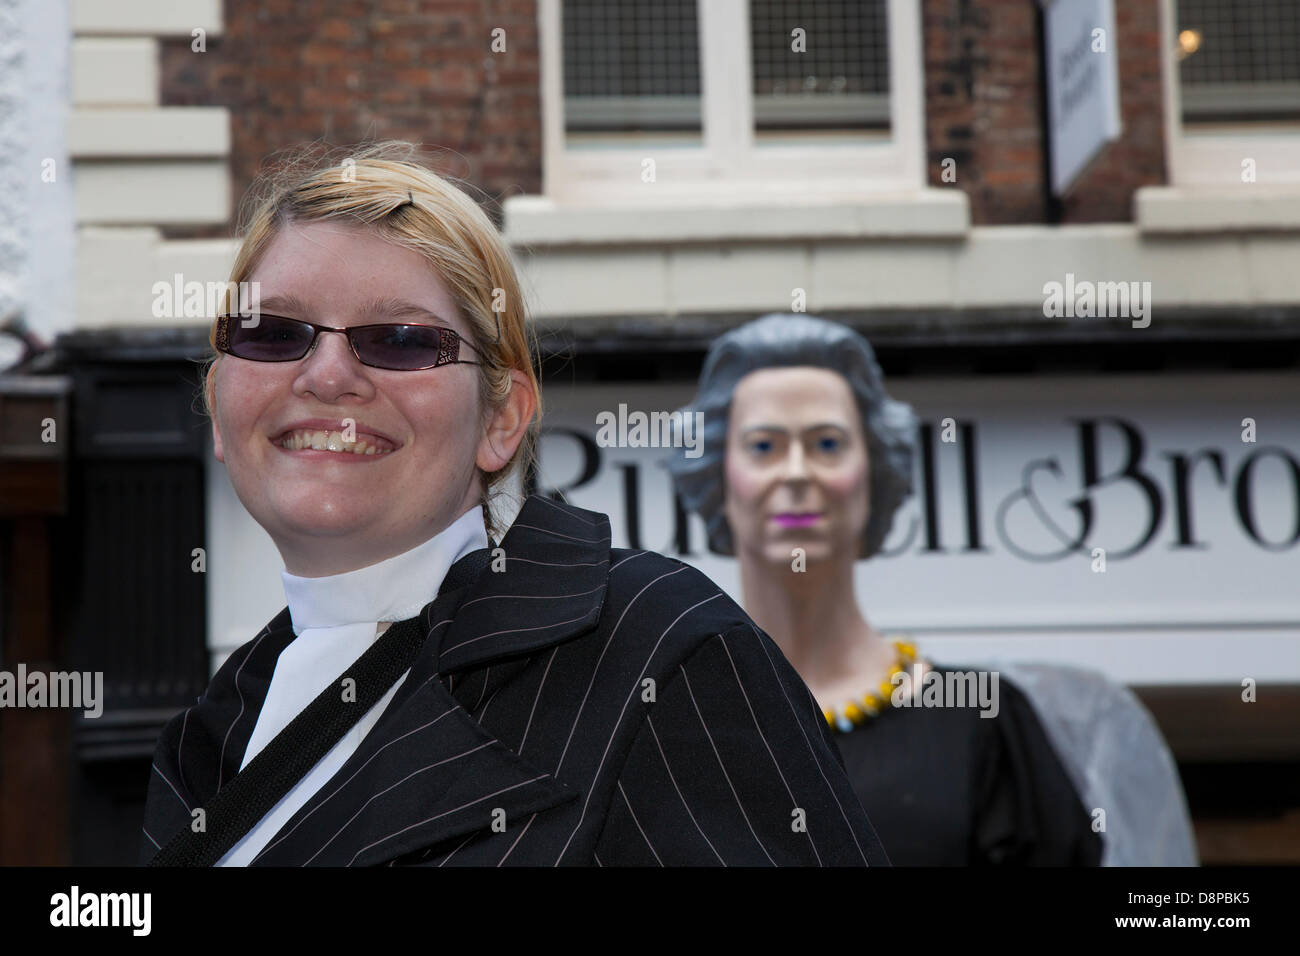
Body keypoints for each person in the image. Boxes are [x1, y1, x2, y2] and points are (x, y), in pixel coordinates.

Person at [138, 146, 888, 867]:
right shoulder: (214, 728)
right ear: (217, 403)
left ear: (502, 419)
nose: (328, 375)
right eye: (273, 333)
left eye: (401, 340)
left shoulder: (655, 650)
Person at [666, 313, 1109, 865]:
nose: (798, 472)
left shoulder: (983, 726)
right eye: (764, 446)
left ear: (875, 472)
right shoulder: (665, 736)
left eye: (827, 443)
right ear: (715, 474)